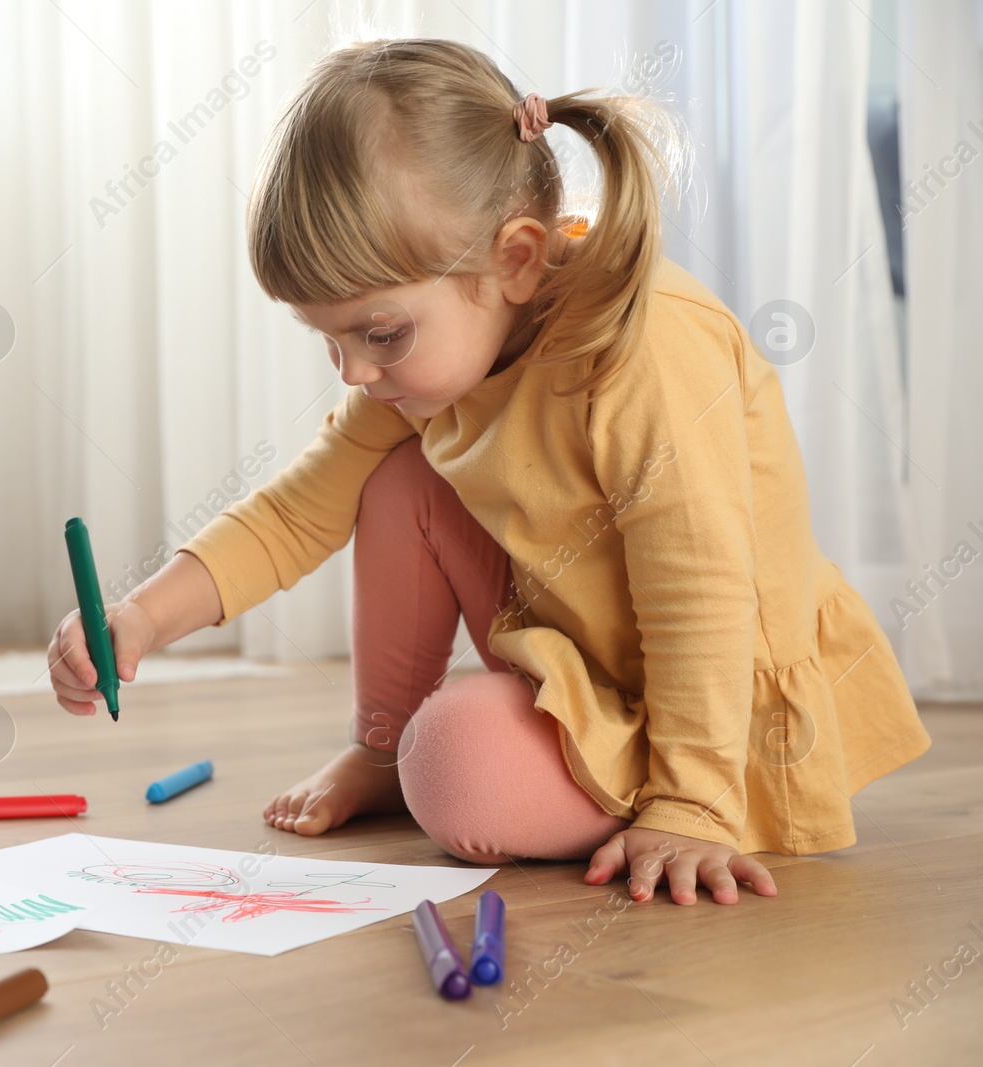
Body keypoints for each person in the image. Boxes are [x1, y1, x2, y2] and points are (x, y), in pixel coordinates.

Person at [47, 38, 929, 906]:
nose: (353, 371)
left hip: (710, 708)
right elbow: (293, 513)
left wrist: (692, 804)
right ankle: (382, 746)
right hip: (587, 670)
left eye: (380, 333)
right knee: (395, 481)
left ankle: (598, 777)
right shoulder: (428, 371)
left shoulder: (646, 345)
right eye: (332, 339)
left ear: (513, 258)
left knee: (459, 763)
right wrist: (140, 619)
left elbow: (700, 588)